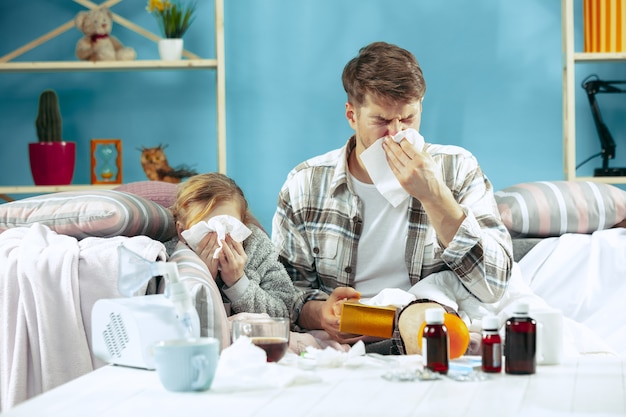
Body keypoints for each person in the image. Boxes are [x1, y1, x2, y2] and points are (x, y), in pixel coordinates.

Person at [271, 41, 514, 355]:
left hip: (432, 332)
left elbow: (493, 286)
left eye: (408, 119)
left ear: (420, 108)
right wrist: (321, 314)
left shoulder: (457, 168)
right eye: (382, 121)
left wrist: (435, 196)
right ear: (352, 115)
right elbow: (284, 293)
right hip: (346, 341)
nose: (397, 134)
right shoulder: (305, 184)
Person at [170, 172, 300, 322]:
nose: (219, 238)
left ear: (243, 225)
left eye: (228, 227)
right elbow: (173, 320)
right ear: (182, 232)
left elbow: (285, 314)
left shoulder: (257, 247)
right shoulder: (172, 256)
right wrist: (203, 277)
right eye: (207, 230)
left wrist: (238, 282)